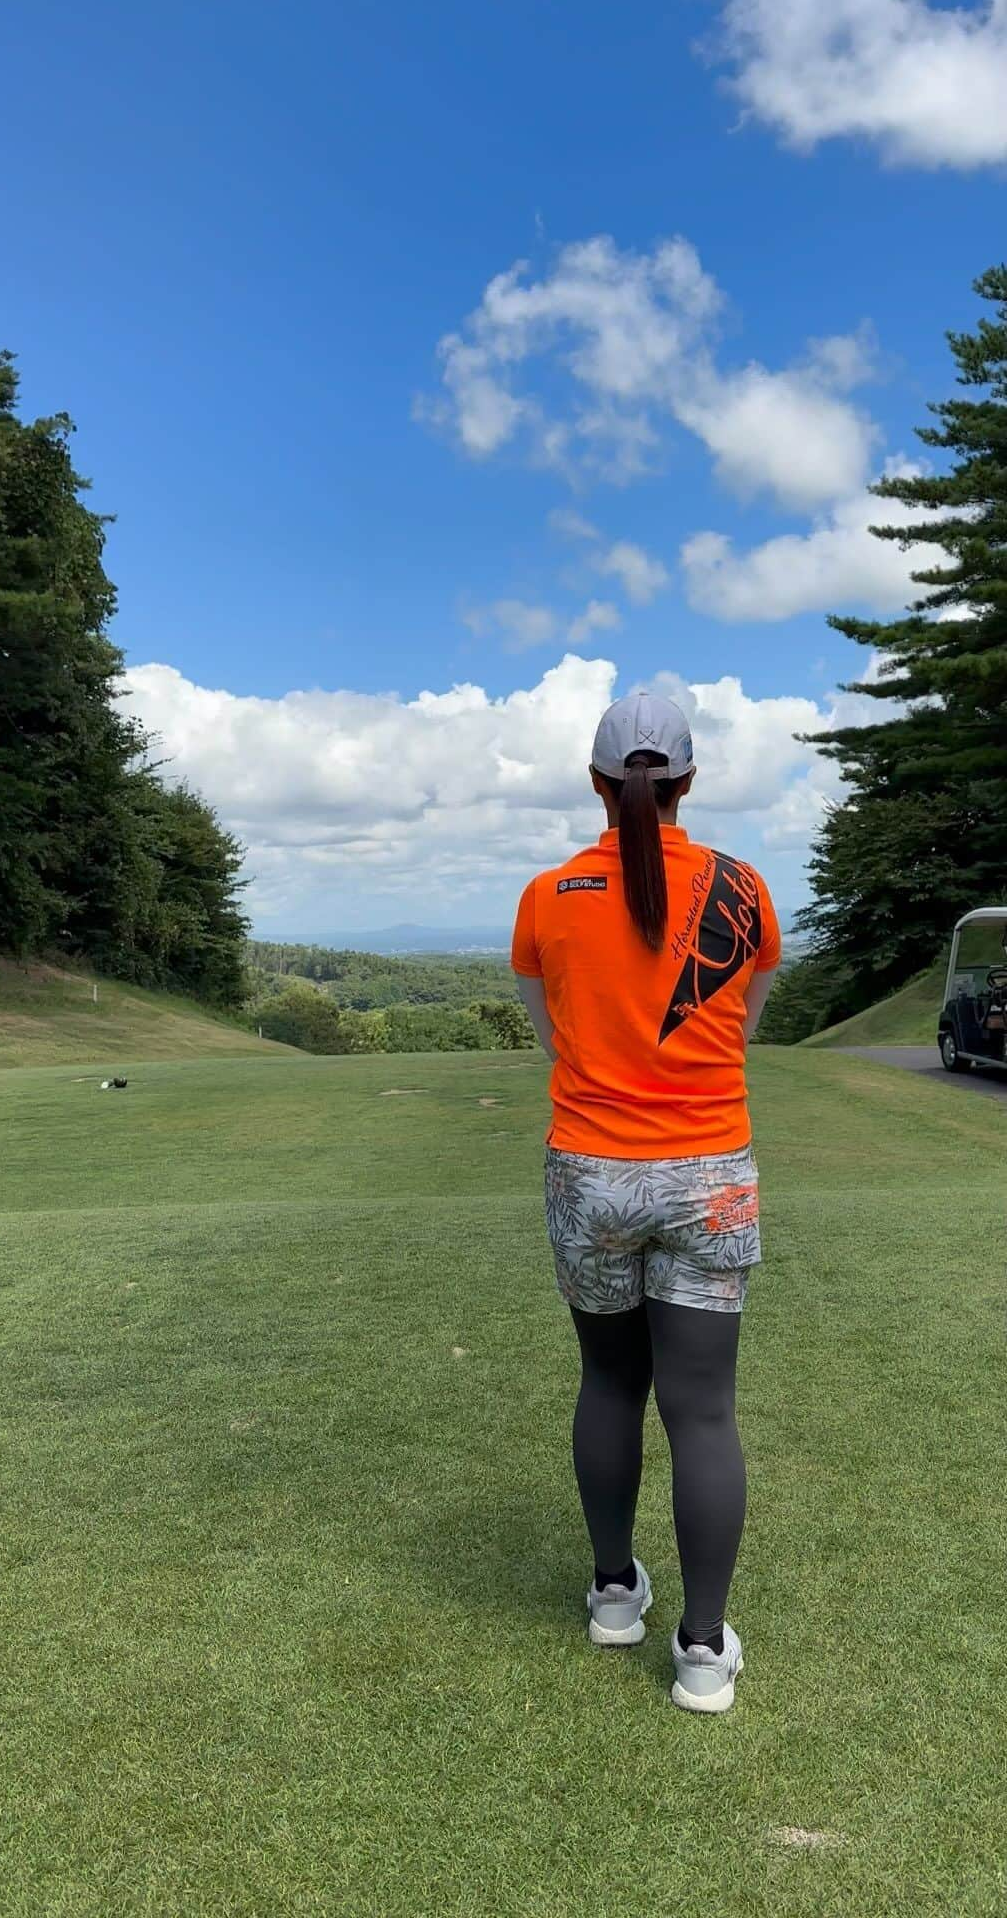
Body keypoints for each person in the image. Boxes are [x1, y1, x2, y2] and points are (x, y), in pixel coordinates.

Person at [511, 690, 780, 1713]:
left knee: (611, 1384)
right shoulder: (744, 888)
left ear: (598, 782)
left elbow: (554, 1034)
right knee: (703, 1412)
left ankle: (615, 1595)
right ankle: (704, 1652)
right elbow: (743, 1019)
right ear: (689, 784)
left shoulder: (548, 895)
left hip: (590, 1171)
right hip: (709, 1172)